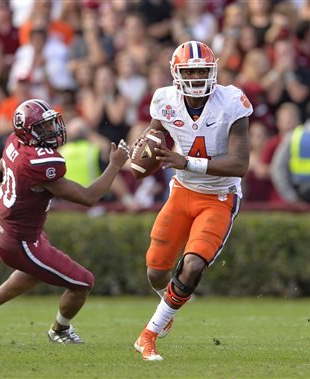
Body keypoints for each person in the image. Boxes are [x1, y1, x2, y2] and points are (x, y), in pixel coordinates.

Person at [0, 99, 130, 344]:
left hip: (5, 230)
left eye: (51, 124)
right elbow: (88, 197)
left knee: (32, 274)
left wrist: (9, 181)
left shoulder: (13, 142)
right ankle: (59, 331)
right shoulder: (39, 164)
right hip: (20, 242)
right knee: (83, 282)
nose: (52, 131)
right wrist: (115, 164)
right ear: (28, 132)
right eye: (42, 128)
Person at [132, 41, 252, 361]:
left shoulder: (232, 102)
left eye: (202, 70)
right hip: (182, 191)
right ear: (176, 73)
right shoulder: (164, 100)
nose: (197, 76)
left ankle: (149, 334)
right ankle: (168, 304)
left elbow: (240, 164)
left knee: (193, 264)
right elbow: (155, 134)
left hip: (219, 196)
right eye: (190, 71)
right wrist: (139, 156)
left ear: (213, 72)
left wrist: (184, 162)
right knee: (156, 271)